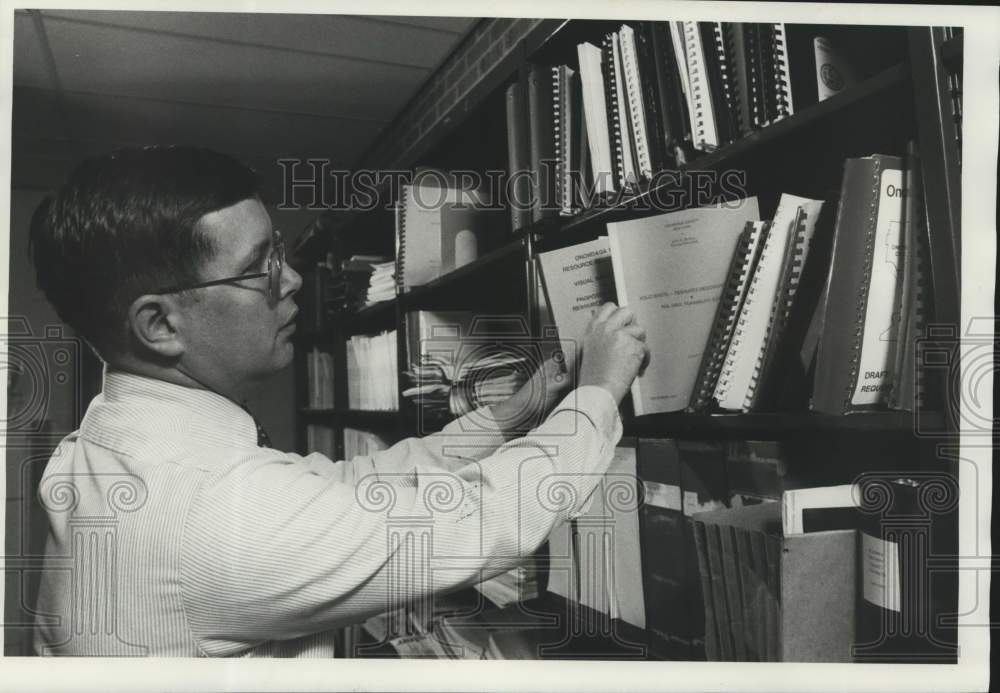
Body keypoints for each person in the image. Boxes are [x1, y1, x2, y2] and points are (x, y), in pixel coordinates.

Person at [28, 146, 648, 657]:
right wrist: (597, 394)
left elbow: (351, 486)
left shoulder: (103, 448)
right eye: (260, 267)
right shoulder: (214, 512)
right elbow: (477, 521)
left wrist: (508, 417)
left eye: (278, 251)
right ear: (160, 325)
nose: (294, 278)